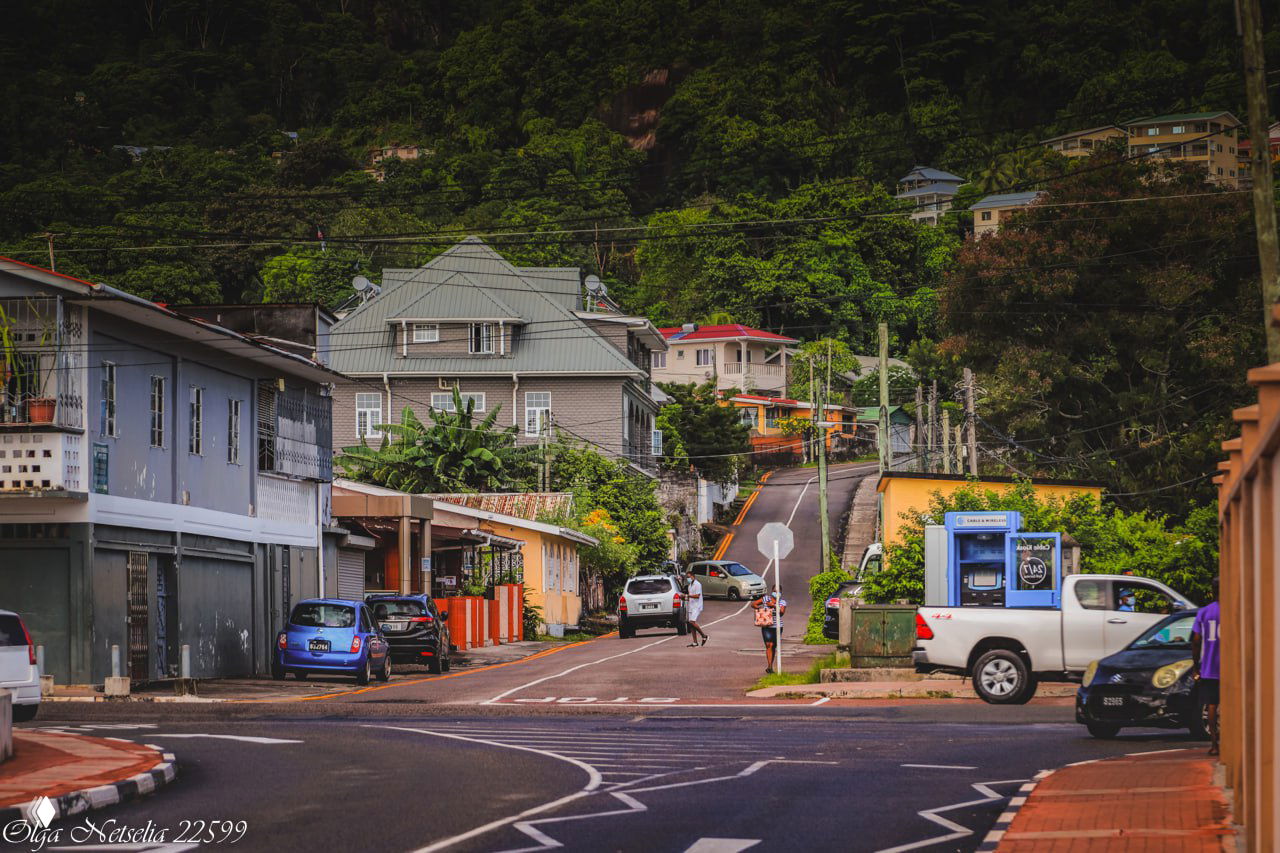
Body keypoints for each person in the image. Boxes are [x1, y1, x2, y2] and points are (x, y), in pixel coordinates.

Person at [1192, 578, 1221, 756]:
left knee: (1211, 705)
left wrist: (1196, 666)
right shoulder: (1235, 608)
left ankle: (1214, 744)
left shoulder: (1204, 612)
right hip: (1231, 667)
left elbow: (1196, 641)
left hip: (1210, 666)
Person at [750, 586, 787, 674]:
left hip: (777, 626)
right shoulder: (766, 598)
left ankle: (771, 666)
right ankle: (769, 666)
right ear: (772, 591)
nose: (776, 593)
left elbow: (781, 613)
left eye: (778, 591)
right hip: (766, 626)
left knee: (773, 646)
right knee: (768, 645)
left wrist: (773, 606)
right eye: (774, 591)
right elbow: (753, 604)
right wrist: (761, 610)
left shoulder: (782, 602)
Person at [684, 572, 708, 647]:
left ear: (693, 576)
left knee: (692, 622)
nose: (688, 579)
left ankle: (704, 636)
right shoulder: (689, 586)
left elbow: (697, 596)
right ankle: (695, 642)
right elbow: (689, 596)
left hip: (697, 606)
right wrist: (684, 597)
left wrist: (688, 596)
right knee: (691, 625)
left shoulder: (697, 584)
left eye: (689, 577)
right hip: (691, 606)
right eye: (687, 577)